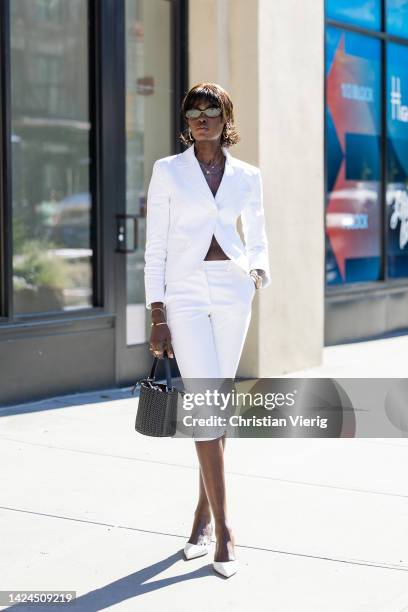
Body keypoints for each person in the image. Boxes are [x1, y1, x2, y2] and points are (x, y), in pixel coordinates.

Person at [144, 82, 271, 578]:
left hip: (233, 291)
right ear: (186, 120)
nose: (201, 118)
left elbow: (257, 234)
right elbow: (155, 247)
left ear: (225, 118)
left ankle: (200, 515)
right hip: (186, 293)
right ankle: (225, 530)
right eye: (193, 111)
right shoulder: (168, 171)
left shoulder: (246, 176)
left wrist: (257, 274)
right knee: (203, 401)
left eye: (211, 110)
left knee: (216, 401)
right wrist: (158, 313)